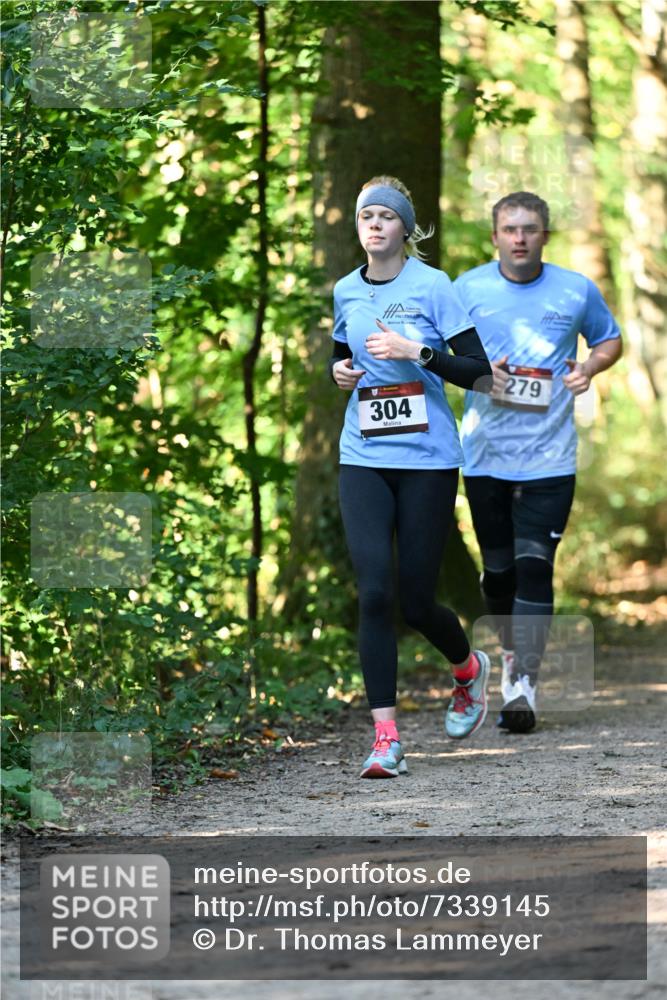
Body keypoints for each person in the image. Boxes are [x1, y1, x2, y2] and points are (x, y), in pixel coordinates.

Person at [330, 175, 493, 778]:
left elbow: (478, 373)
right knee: (374, 592)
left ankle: (468, 670)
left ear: (405, 228)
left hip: (427, 460)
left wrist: (416, 353)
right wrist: (340, 373)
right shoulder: (346, 288)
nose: (374, 224)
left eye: (385, 216)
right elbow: (339, 354)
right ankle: (386, 738)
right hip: (363, 456)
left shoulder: (434, 286)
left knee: (417, 600)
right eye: (365, 215)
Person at [454, 191, 622, 734]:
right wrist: (479, 370)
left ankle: (522, 683)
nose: (520, 238)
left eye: (530, 228)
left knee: (534, 567)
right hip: (484, 455)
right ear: (495, 235)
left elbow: (610, 338)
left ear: (545, 235)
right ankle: (508, 654)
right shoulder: (467, 289)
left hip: (550, 457)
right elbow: (436, 354)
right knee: (498, 572)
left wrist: (589, 368)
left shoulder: (575, 289)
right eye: (510, 229)